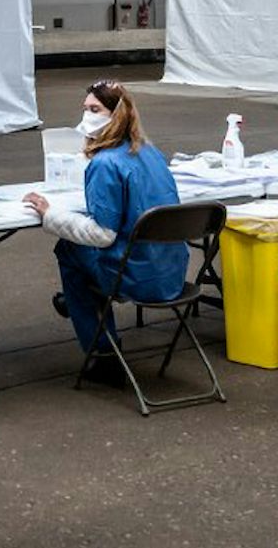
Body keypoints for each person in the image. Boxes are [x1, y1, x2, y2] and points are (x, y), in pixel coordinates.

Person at [23, 80, 187, 388]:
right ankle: (76, 304)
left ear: (116, 114)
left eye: (95, 109)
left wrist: (50, 214)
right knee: (82, 259)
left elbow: (102, 235)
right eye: (85, 108)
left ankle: (103, 352)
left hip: (135, 278)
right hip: (171, 273)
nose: (87, 116)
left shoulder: (105, 163)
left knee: (69, 250)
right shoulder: (151, 152)